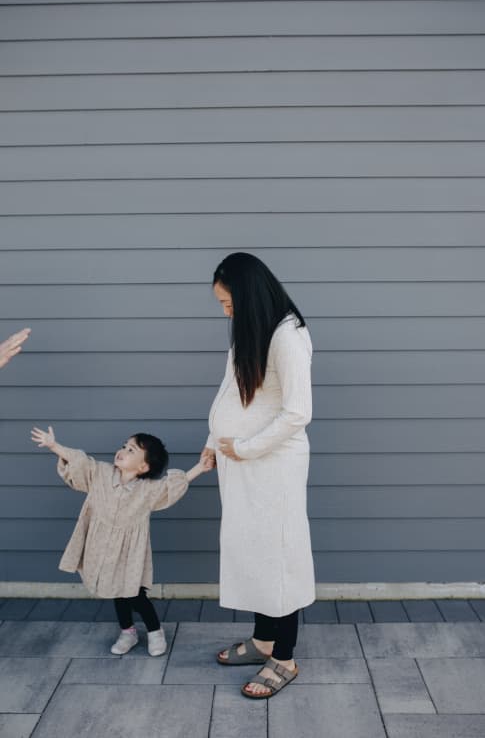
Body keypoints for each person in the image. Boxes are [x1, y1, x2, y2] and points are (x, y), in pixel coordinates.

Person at [201, 252, 315, 699]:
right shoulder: (253, 329)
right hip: (241, 465)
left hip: (272, 467)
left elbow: (298, 412)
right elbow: (232, 388)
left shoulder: (289, 336)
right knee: (252, 551)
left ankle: (283, 657)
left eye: (229, 303)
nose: (226, 312)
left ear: (249, 296)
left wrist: (244, 448)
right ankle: (263, 639)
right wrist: (214, 440)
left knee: (278, 557)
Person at [31, 426, 214, 656]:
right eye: (124, 446)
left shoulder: (147, 490)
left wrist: (200, 467)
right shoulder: (100, 474)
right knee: (114, 590)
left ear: (143, 466)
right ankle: (128, 632)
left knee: (134, 593)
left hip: (129, 552)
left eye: (131, 450)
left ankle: (155, 631)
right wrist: (53, 445)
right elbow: (80, 462)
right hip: (101, 545)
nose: (122, 451)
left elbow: (171, 487)